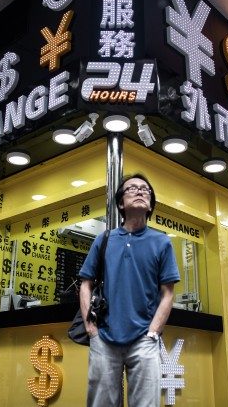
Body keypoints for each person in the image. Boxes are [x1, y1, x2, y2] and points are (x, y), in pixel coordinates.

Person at [79, 173, 180, 406]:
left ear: (151, 204)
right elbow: (86, 284)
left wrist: (153, 332)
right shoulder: (104, 239)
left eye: (145, 190)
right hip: (103, 338)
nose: (140, 191)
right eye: (132, 189)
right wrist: (90, 328)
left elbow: (167, 293)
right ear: (121, 203)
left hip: (144, 340)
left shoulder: (161, 241)